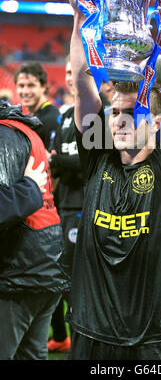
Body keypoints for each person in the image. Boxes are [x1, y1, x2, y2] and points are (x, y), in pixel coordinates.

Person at [64, 0, 161, 361]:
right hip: (89, 331)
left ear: (155, 121)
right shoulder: (96, 155)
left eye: (129, 113)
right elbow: (82, 83)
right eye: (114, 113)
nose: (118, 121)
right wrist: (77, 15)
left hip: (149, 337)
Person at [0, 101, 69, 360]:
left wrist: (28, 188)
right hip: (40, 266)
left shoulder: (4, 136)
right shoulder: (21, 129)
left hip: (17, 273)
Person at [47, 57, 84, 354]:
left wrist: (58, 160)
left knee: (77, 282)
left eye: (77, 71)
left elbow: (90, 164)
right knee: (66, 279)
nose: (71, 77)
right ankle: (73, 340)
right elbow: (61, 163)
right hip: (66, 208)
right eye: (68, 72)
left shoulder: (96, 115)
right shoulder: (66, 115)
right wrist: (55, 163)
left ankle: (84, 342)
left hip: (86, 207)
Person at [14, 61, 61, 151]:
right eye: (21, 86)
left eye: (31, 85)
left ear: (43, 87)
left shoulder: (51, 119)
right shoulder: (32, 117)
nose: (25, 91)